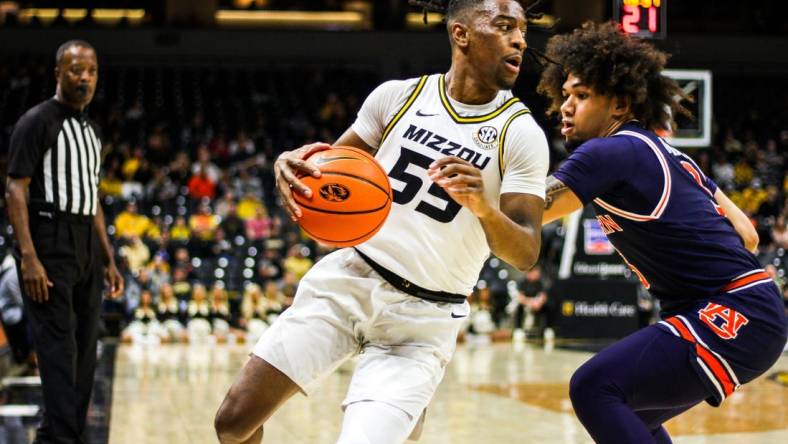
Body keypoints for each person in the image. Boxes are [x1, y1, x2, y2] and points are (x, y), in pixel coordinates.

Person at [214, 1, 549, 442]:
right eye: (504, 27)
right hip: (350, 278)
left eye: (523, 30)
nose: (520, 40)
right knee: (233, 422)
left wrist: (484, 207)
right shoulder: (399, 96)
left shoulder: (519, 133)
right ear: (461, 34)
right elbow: (326, 178)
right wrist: (290, 165)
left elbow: (525, 252)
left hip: (423, 316)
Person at [537, 22, 787, 443]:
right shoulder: (668, 153)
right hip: (755, 310)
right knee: (636, 413)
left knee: (594, 388)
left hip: (729, 312)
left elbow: (531, 210)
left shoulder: (609, 149)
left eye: (581, 96)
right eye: (565, 96)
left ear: (618, 106)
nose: (565, 106)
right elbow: (747, 234)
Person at [4, 40, 124, 444]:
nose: (84, 78)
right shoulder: (36, 121)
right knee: (58, 352)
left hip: (85, 244)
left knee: (87, 350)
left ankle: (56, 437)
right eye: (76, 70)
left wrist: (108, 258)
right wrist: (28, 257)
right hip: (49, 239)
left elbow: (92, 200)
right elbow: (15, 190)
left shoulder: (91, 130)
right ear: (58, 73)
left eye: (90, 71)